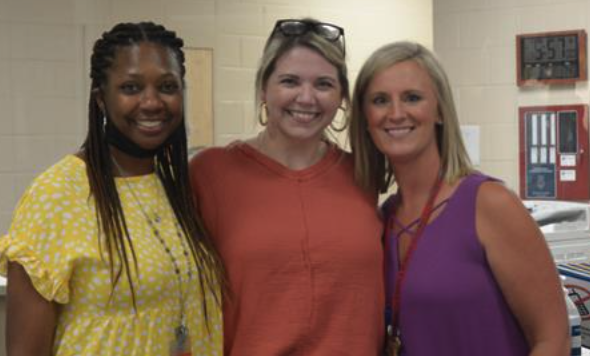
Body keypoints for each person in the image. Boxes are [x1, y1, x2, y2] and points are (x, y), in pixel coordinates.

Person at [1, 22, 224, 355]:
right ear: (101, 99)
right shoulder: (57, 194)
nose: (151, 102)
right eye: (131, 87)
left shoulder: (178, 186)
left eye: (167, 86)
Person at [349, 41, 569, 356]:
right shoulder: (383, 220)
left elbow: (553, 340)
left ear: (439, 110)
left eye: (412, 97)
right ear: (366, 118)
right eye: (380, 100)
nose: (396, 113)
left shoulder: (488, 204)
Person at [190, 18, 384, 356]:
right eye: (290, 81)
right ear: (264, 88)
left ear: (341, 96)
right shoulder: (210, 173)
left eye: (323, 84)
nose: (306, 98)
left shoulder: (364, 174)